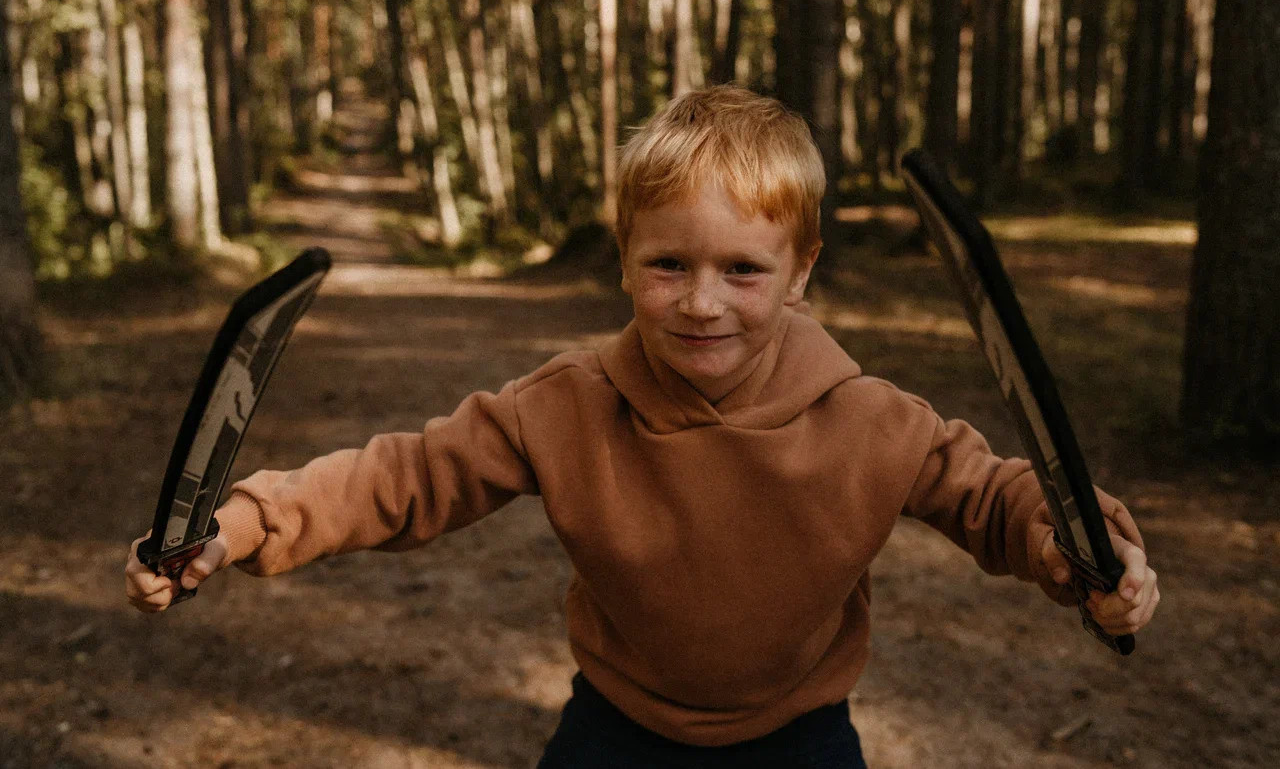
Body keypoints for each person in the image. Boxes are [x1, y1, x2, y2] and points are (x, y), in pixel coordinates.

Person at [126, 85, 1159, 767]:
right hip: (617, 729)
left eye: (742, 269)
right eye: (669, 264)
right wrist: (241, 524)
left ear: (799, 271)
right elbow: (401, 477)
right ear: (624, 257)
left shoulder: (871, 419)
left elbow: (996, 496)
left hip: (799, 737)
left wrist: (1079, 553)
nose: (702, 302)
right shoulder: (564, 405)